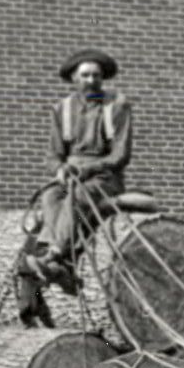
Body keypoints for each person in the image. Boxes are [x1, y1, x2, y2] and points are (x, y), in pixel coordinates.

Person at [30, 48, 133, 291]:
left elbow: (121, 155)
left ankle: (56, 255)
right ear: (74, 79)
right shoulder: (62, 109)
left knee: (79, 196)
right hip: (70, 175)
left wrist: (89, 169)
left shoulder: (116, 105)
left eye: (96, 76)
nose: (91, 81)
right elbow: (53, 154)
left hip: (104, 177)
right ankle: (65, 264)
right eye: (85, 75)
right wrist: (60, 169)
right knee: (50, 195)